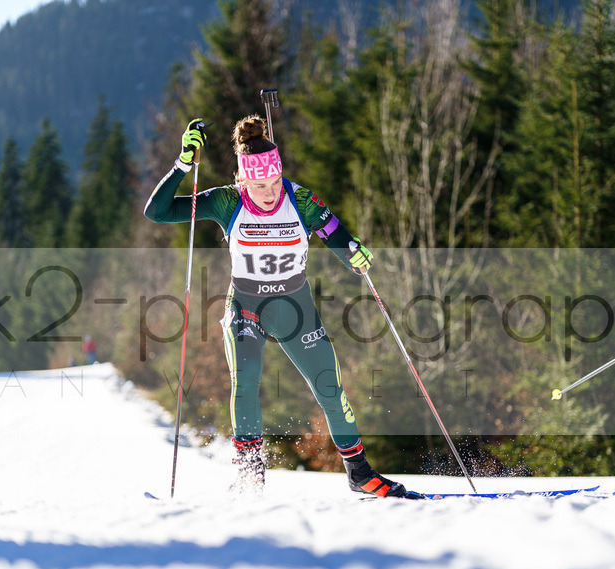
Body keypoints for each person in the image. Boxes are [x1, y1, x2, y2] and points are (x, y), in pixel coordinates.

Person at [144, 115, 418, 498]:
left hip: (294, 304)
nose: (270, 192)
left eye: (275, 182)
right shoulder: (226, 201)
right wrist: (184, 164)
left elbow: (335, 233)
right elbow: (157, 212)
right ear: (243, 181)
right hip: (247, 304)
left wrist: (353, 253)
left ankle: (359, 473)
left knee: (329, 387)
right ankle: (250, 475)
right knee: (247, 380)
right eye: (259, 185)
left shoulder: (300, 199)